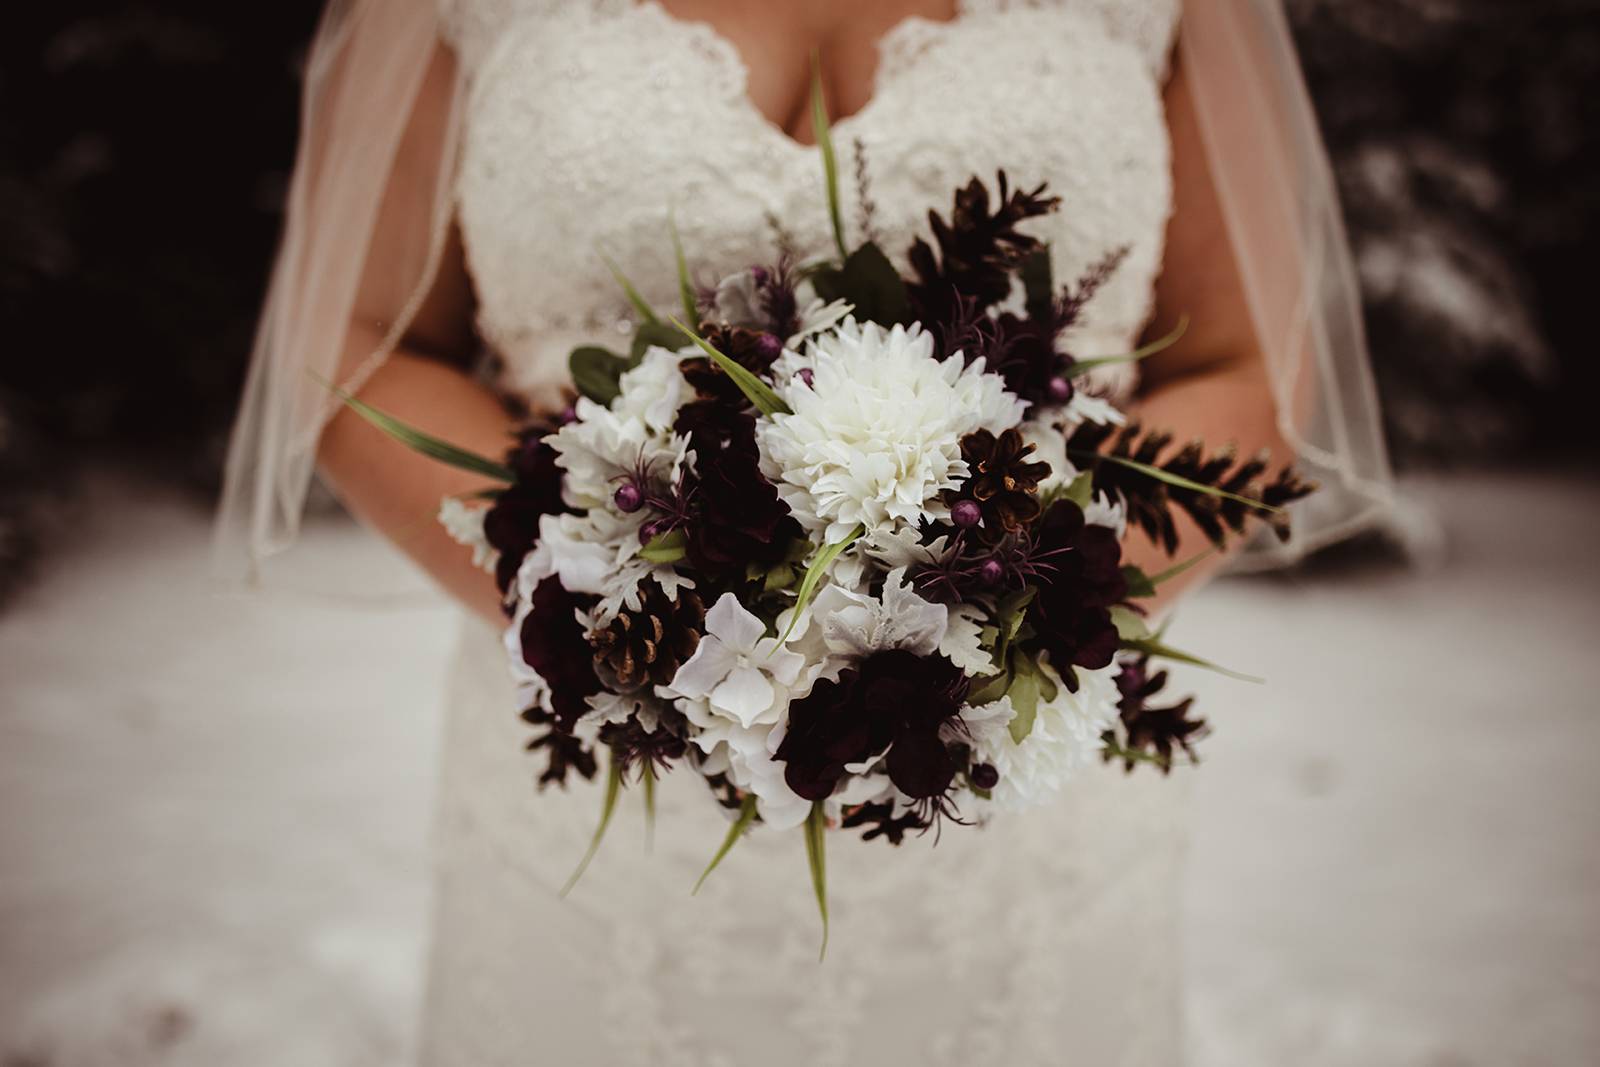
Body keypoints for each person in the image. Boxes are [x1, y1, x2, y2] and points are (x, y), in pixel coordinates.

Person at [218, 2, 1392, 1063]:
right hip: (596, 778)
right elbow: (359, 335)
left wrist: (997, 618)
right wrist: (606, 621)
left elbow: (1245, 369)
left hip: (1013, 806)